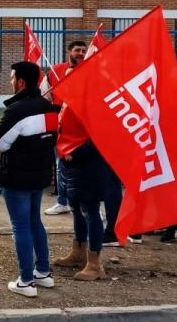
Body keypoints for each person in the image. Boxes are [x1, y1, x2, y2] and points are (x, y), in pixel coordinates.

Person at [0, 61, 58, 298]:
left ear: (21, 82)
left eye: (11, 78)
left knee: (21, 226)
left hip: (17, 176)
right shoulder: (48, 107)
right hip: (39, 176)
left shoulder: (17, 110)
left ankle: (26, 280)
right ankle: (43, 272)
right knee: (34, 222)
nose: (10, 81)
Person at [53, 104, 110, 282]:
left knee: (90, 212)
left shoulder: (93, 105)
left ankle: (95, 264)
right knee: (76, 209)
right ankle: (79, 253)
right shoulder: (71, 102)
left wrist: (75, 153)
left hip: (88, 166)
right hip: (73, 165)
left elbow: (99, 136)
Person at [43, 40, 85, 217]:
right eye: (77, 50)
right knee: (60, 166)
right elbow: (44, 95)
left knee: (83, 167)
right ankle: (62, 201)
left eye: (84, 50)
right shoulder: (55, 71)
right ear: (69, 51)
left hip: (82, 127)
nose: (81, 53)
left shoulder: (90, 71)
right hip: (60, 125)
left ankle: (85, 203)